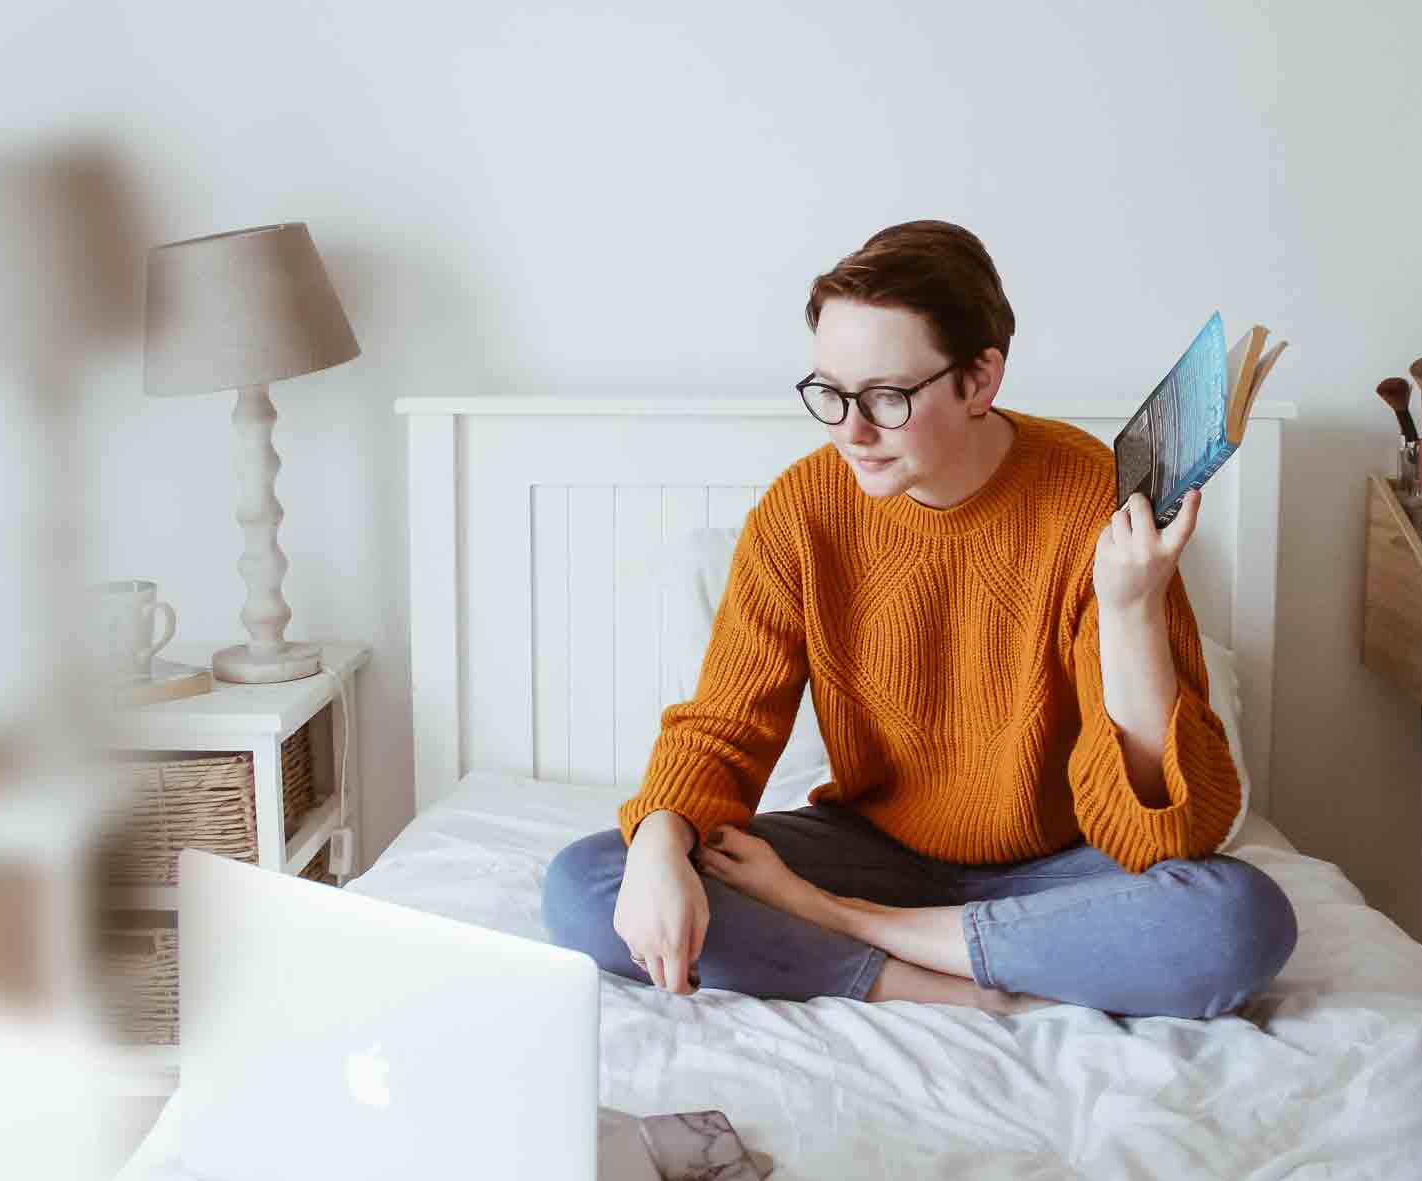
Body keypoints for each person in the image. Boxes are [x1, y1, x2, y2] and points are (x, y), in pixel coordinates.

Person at [543, 220, 1296, 1018]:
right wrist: (662, 839)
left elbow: (1163, 839)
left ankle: (859, 932)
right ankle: (953, 983)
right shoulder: (803, 510)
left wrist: (1131, 606)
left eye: (887, 397)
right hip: (873, 847)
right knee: (588, 883)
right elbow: (725, 727)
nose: (850, 431)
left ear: (980, 380)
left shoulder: (1091, 500)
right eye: (829, 393)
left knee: (1236, 918)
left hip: (1063, 867)